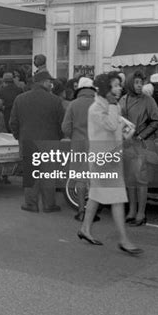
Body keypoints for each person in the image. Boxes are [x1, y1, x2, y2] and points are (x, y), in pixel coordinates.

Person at [77, 72, 143, 255]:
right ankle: (124, 240)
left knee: (97, 195)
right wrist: (114, 106)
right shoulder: (98, 109)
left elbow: (115, 129)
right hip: (104, 160)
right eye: (115, 85)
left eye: (119, 85)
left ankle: (85, 229)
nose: (119, 88)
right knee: (117, 199)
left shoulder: (107, 106)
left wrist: (126, 133)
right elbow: (112, 126)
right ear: (106, 89)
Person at [10, 70, 64, 213]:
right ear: (44, 83)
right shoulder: (56, 100)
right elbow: (61, 124)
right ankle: (49, 204)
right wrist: (57, 137)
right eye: (49, 82)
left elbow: (13, 122)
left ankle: (31, 204)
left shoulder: (20, 99)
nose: (51, 84)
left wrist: (19, 136)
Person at [120, 71, 158, 226]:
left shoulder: (148, 100)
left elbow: (156, 121)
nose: (139, 85)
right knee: (130, 178)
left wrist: (142, 136)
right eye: (136, 82)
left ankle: (141, 214)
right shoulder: (123, 99)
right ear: (130, 83)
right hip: (128, 143)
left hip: (142, 143)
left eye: (141, 82)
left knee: (141, 179)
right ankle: (131, 211)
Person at [62, 77, 99, 221]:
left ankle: (81, 211)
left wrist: (73, 135)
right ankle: (92, 212)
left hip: (78, 144)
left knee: (80, 178)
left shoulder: (73, 104)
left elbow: (65, 127)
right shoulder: (99, 104)